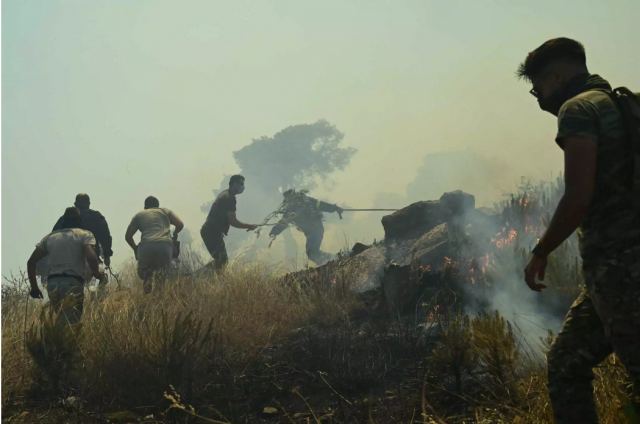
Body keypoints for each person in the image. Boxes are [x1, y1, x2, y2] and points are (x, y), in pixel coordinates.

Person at [519, 38, 640, 423]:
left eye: (539, 89)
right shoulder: (625, 104)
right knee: (567, 361)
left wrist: (542, 250)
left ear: (556, 76)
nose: (540, 100)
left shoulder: (577, 110)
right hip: (610, 274)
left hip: (619, 269)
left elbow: (578, 195)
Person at [27, 207, 103, 327]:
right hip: (72, 284)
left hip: (52, 285)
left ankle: (52, 343)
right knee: (71, 325)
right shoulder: (85, 234)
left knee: (61, 320)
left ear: (63, 221)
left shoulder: (50, 237)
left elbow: (31, 262)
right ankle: (61, 344)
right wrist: (98, 274)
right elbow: (91, 257)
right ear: (79, 220)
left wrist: (34, 288)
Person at [125, 196, 184, 293]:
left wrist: (135, 249)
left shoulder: (139, 215)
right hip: (164, 247)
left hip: (146, 247)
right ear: (158, 205)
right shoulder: (165, 211)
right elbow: (180, 224)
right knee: (161, 278)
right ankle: (158, 302)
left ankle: (147, 297)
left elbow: (128, 237)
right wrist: (174, 234)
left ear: (145, 207)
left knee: (146, 275)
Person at [268, 189, 343, 265]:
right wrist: (335, 208)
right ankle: (331, 260)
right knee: (312, 253)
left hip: (314, 231)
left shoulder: (292, 208)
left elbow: (283, 223)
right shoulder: (306, 201)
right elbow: (322, 205)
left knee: (312, 253)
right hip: (315, 230)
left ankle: (335, 259)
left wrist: (274, 232)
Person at [201, 175, 257, 271]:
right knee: (222, 261)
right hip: (211, 232)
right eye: (241, 184)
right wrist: (249, 226)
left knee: (221, 261)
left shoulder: (226, 194)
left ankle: (198, 277)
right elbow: (233, 221)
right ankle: (196, 277)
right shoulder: (229, 198)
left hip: (211, 232)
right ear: (234, 184)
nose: (243, 187)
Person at [53, 193, 113, 266]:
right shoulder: (96, 216)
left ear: (75, 204)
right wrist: (107, 256)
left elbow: (54, 236)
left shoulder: (65, 218)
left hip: (67, 260)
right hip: (90, 259)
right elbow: (105, 237)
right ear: (89, 204)